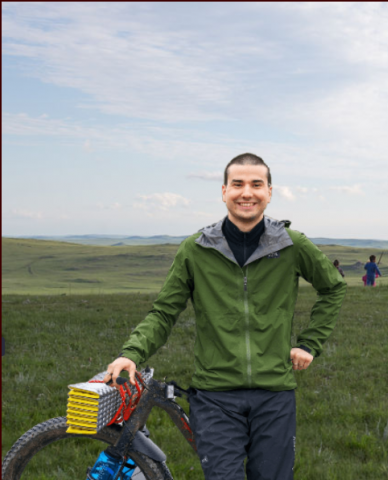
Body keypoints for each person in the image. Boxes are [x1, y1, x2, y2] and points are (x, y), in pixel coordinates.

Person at [104, 153, 346, 480]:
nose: (247, 192)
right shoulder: (195, 249)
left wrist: (309, 343)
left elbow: (333, 288)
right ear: (223, 191)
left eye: (256, 184)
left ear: (269, 193)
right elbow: (163, 313)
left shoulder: (292, 245)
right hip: (215, 397)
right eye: (238, 184)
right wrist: (130, 354)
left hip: (274, 396)